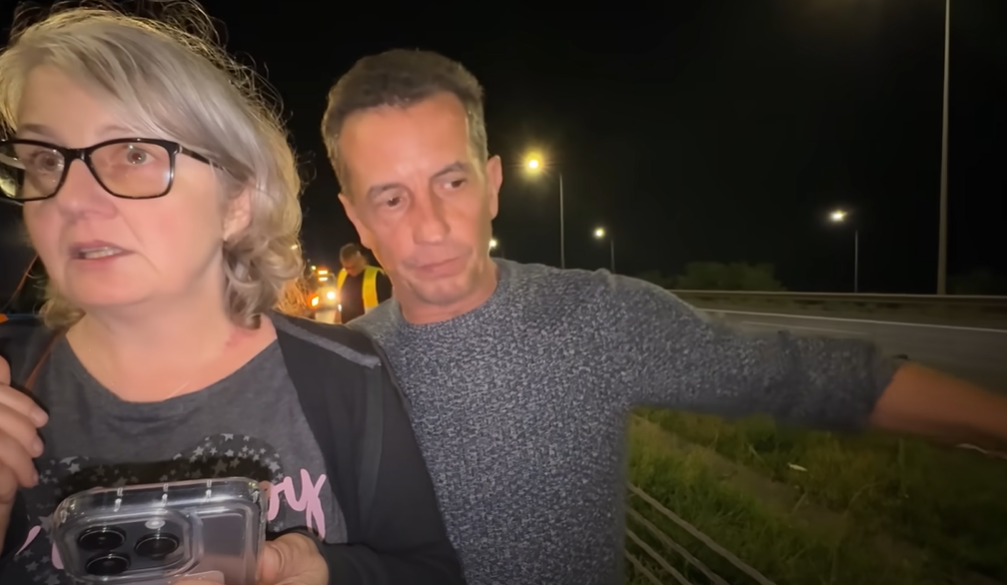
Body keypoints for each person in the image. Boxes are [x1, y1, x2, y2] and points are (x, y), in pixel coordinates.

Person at [320, 48, 1007, 585]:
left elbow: (804, 375)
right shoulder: (333, 369)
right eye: (392, 199)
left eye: (451, 180)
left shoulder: (596, 316)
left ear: (492, 183)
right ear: (357, 220)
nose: (431, 225)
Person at [0, 10, 462, 585]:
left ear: (237, 202)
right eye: (45, 160)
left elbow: (427, 572)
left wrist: (331, 574)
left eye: (135, 154)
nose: (71, 198)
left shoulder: (345, 376)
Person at [336, 243, 391, 323]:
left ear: (361, 259)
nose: (350, 271)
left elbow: (388, 305)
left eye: (353, 266)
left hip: (371, 327)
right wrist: (338, 313)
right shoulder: (342, 275)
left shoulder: (376, 276)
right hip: (348, 327)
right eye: (347, 268)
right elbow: (340, 300)